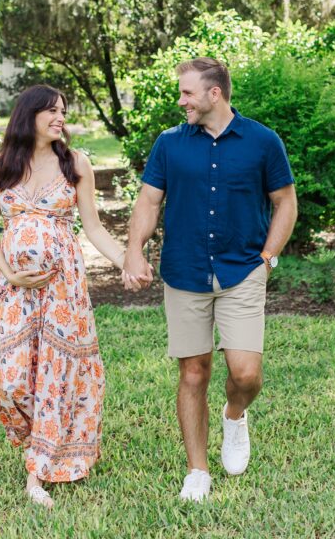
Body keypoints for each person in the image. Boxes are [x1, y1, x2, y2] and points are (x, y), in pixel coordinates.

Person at [122, 57, 298, 502]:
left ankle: (235, 415)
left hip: (242, 271)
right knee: (194, 373)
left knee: (246, 372)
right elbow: (148, 201)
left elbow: (285, 202)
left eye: (187, 93)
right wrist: (133, 250)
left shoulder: (262, 142)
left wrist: (267, 259)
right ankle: (197, 470)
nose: (181, 101)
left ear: (213, 94)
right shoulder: (169, 144)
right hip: (184, 273)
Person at [0, 84, 141, 509]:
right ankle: (43, 443)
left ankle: (39, 471)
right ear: (28, 115)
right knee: (13, 380)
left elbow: (93, 227)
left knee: (54, 374)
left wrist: (128, 260)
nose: (59, 117)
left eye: (63, 111)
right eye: (51, 111)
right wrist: (10, 271)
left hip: (63, 288)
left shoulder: (76, 163)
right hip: (15, 291)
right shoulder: (3, 165)